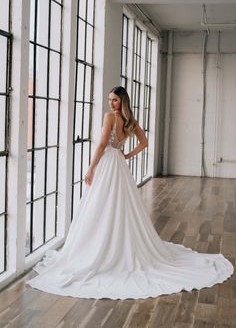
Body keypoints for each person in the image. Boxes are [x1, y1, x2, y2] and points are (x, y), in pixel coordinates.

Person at [26, 86, 233, 300]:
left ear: (122, 101)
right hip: (118, 164)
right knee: (115, 204)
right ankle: (112, 243)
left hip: (107, 163)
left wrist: (90, 168)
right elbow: (143, 143)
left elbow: (102, 145)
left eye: (114, 100)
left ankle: (101, 247)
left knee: (102, 204)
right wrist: (126, 155)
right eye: (109, 100)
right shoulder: (130, 121)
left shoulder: (110, 118)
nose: (111, 103)